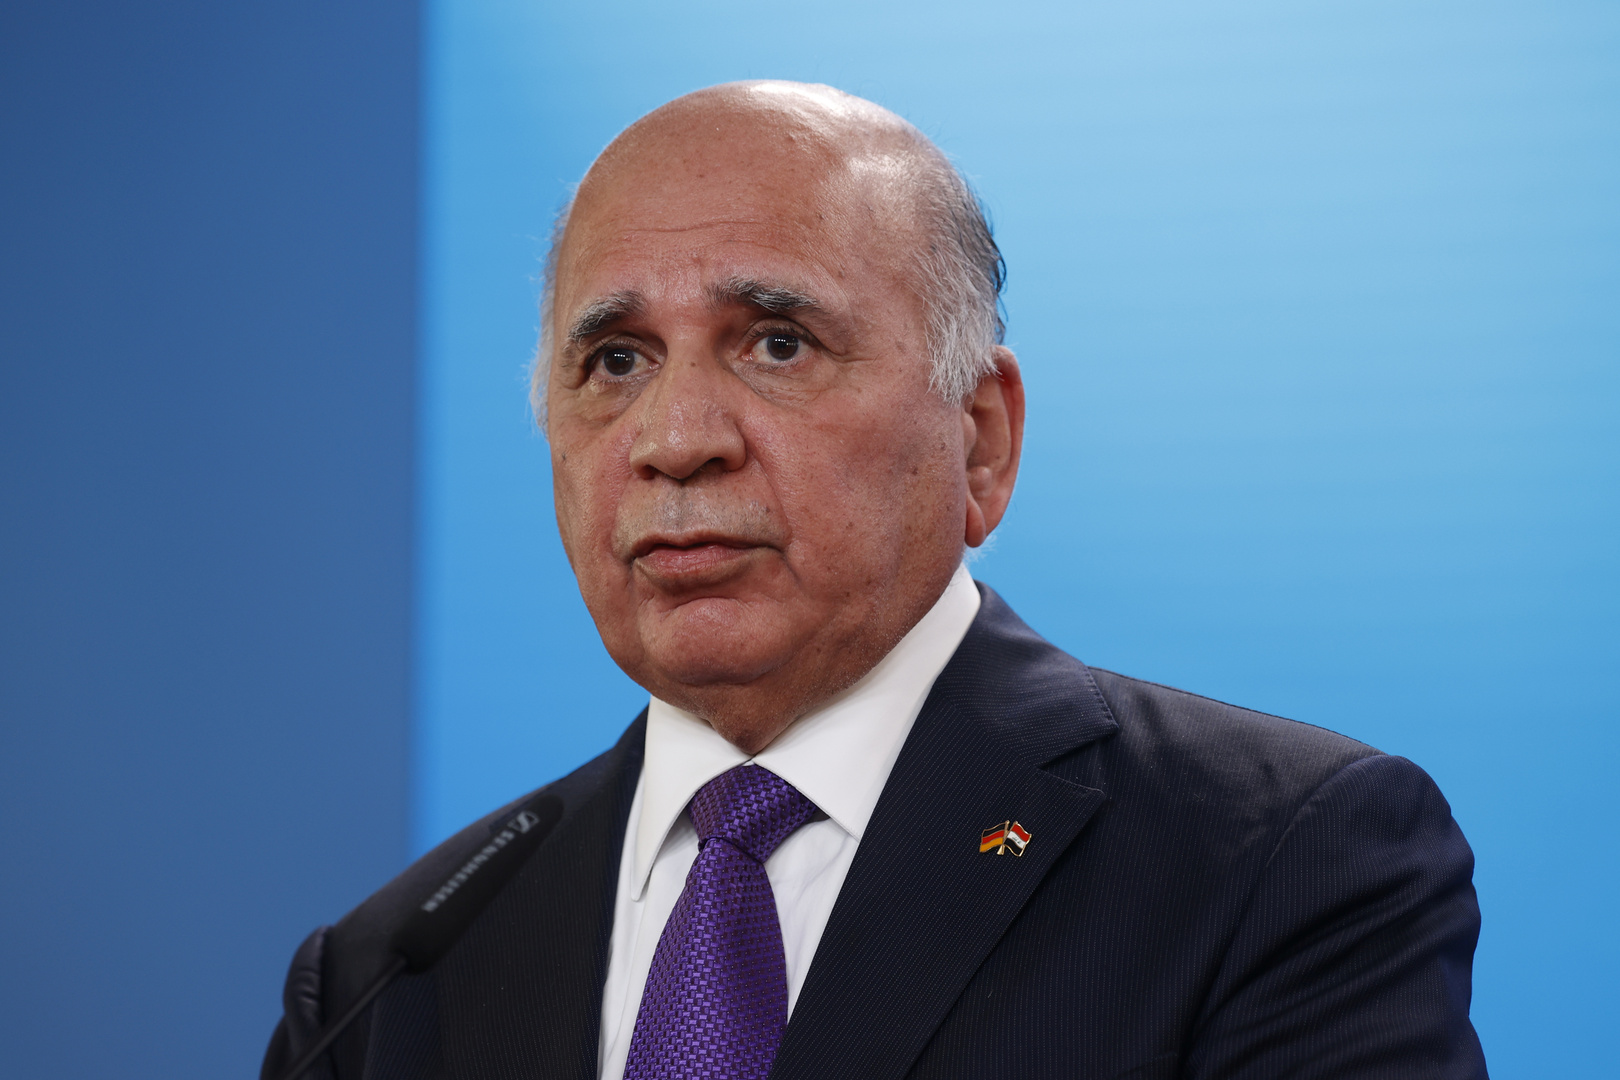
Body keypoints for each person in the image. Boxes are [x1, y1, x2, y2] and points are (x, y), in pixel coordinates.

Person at [263, 81, 1487, 1080]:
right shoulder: (390, 973)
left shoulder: (1279, 862)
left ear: (980, 439)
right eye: (618, 360)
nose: (675, 439)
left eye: (777, 343)